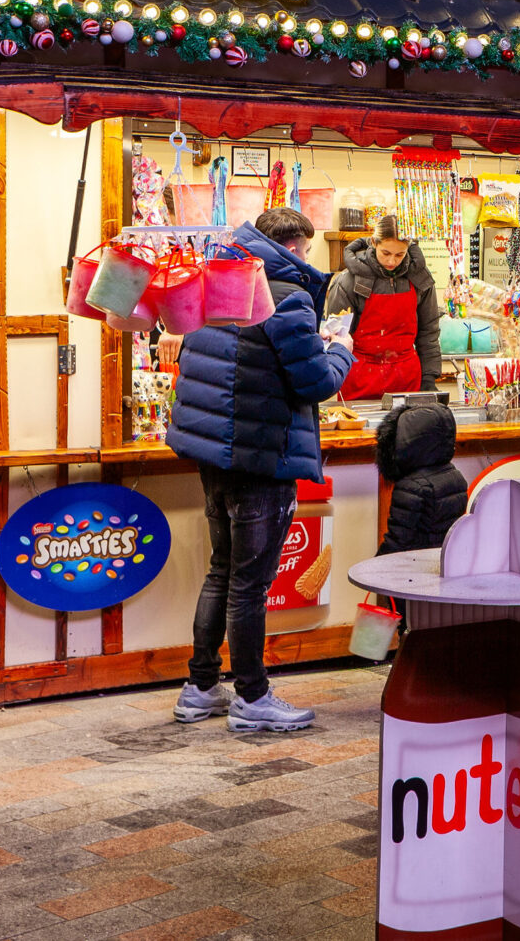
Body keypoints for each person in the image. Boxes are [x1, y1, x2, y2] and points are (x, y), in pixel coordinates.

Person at [166, 206, 353, 733]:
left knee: (222, 570)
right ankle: (252, 696)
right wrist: (341, 349)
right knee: (250, 583)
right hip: (262, 455)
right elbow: (315, 383)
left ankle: (200, 687)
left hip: (216, 454)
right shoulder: (285, 296)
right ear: (295, 248)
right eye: (308, 251)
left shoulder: (218, 279)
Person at [322, 214, 441, 398]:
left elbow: (429, 332)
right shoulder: (347, 282)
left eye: (399, 254)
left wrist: (429, 378)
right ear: (374, 243)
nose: (392, 261)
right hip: (359, 377)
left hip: (407, 378)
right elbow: (336, 336)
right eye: (386, 253)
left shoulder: (420, 279)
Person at [374, 401, 468, 555]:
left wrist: (372, 568)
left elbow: (396, 543)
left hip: (412, 569)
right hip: (444, 564)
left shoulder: (410, 487)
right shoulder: (456, 477)